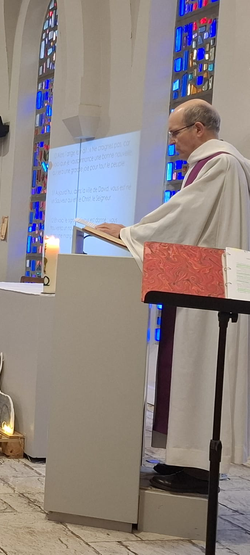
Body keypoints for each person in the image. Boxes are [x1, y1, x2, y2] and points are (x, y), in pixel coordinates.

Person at [96, 99, 250, 495]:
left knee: (199, 371)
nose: (172, 141)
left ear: (199, 129)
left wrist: (129, 233)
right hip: (196, 282)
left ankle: (199, 469)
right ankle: (185, 456)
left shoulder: (221, 164)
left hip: (208, 290)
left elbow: (183, 217)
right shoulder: (215, 163)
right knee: (187, 371)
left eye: (175, 133)